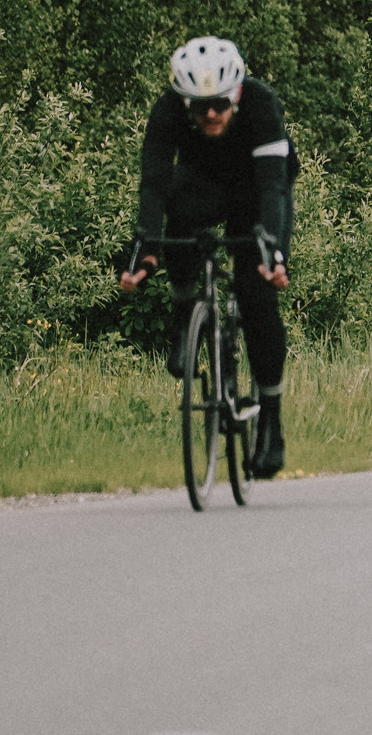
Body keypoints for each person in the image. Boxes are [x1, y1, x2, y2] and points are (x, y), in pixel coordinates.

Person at [120, 37, 297, 478]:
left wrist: (275, 252)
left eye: (219, 104)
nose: (211, 115)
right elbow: (154, 184)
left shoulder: (261, 105)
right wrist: (145, 246)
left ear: (235, 95)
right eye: (199, 108)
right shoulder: (166, 111)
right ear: (184, 103)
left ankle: (270, 420)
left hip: (258, 193)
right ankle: (186, 309)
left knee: (257, 299)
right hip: (204, 186)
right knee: (177, 204)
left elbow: (275, 190)